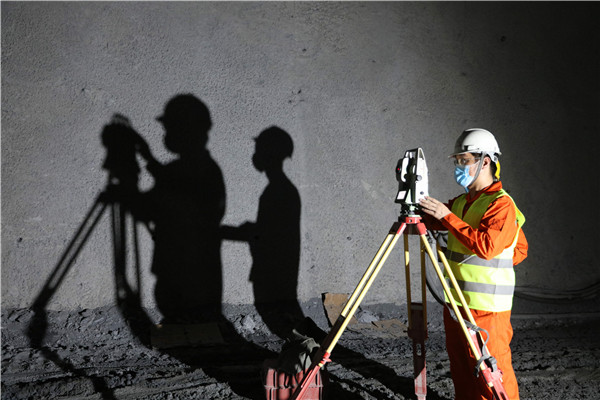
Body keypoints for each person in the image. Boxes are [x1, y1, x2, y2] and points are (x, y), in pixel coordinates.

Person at [419, 128, 528, 400]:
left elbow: (491, 247)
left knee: (493, 374)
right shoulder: (461, 203)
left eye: (464, 160)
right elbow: (518, 250)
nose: (459, 166)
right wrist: (416, 206)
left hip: (487, 309)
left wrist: (447, 218)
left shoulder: (501, 205)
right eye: (457, 161)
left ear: (485, 161)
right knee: (464, 372)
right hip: (457, 305)